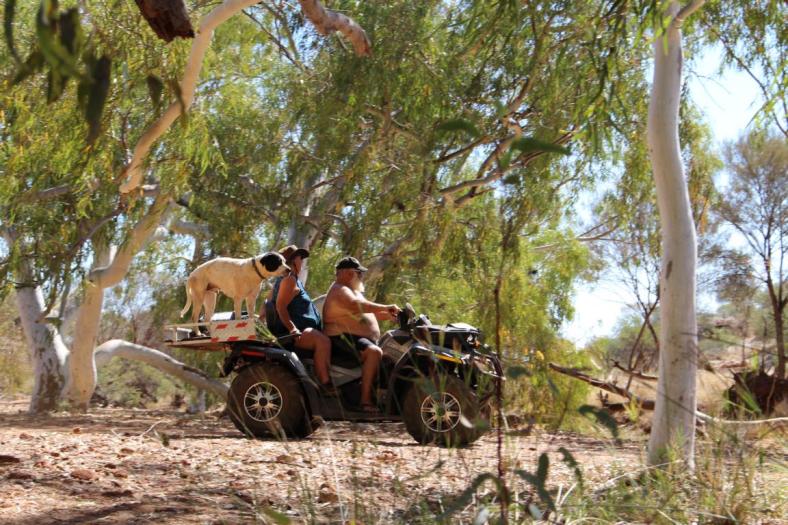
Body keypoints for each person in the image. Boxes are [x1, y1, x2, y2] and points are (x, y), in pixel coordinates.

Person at [322, 256, 400, 412]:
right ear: (347, 273)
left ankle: (382, 396)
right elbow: (355, 306)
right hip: (341, 339)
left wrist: (390, 316)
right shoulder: (340, 289)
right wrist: (386, 306)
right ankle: (365, 402)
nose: (360, 276)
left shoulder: (351, 290)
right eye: (358, 273)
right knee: (373, 352)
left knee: (390, 351)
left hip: (356, 339)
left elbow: (367, 313)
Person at [267, 245, 334, 394]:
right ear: (292, 261)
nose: (302, 261)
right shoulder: (289, 279)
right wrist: (292, 329)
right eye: (299, 258)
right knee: (323, 341)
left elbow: (266, 304)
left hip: (295, 331)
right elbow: (280, 307)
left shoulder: (284, 280)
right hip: (294, 334)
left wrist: (260, 319)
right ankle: (325, 384)